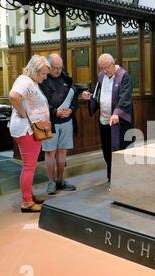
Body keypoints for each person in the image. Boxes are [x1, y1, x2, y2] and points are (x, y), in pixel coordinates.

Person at [82, 53, 133, 182]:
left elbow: (125, 97)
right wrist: (90, 97)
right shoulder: (101, 76)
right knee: (106, 150)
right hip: (104, 120)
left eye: (106, 67)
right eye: (101, 68)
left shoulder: (123, 76)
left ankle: (122, 178)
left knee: (119, 150)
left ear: (113, 63)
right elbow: (98, 93)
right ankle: (111, 177)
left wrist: (116, 113)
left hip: (119, 122)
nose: (104, 71)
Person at [8, 55, 50, 213]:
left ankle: (29, 195)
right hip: (26, 129)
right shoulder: (24, 80)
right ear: (35, 70)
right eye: (43, 74)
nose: (45, 77)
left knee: (29, 165)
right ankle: (26, 202)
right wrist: (22, 112)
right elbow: (13, 96)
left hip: (29, 128)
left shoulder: (29, 81)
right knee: (29, 166)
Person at [39, 54, 79, 195]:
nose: (58, 71)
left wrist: (71, 109)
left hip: (66, 121)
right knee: (50, 153)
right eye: (55, 68)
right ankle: (51, 182)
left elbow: (74, 98)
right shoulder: (43, 79)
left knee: (63, 151)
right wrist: (55, 112)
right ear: (48, 67)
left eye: (60, 67)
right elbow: (40, 103)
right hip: (50, 122)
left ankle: (61, 180)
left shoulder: (66, 78)